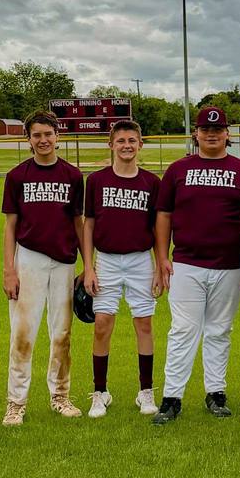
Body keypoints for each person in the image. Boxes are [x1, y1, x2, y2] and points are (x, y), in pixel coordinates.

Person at [152, 107, 240, 425]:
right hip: (186, 262)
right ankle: (172, 398)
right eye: (205, 129)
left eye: (218, 129)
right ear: (196, 134)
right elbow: (164, 216)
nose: (212, 133)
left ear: (227, 133)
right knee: (183, 330)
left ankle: (216, 393)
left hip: (230, 265)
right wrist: (162, 257)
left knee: (219, 330)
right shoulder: (177, 170)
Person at [1, 110, 86, 426]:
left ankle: (60, 396)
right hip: (29, 259)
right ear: (29, 140)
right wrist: (9, 270)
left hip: (64, 260)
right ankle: (16, 402)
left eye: (48, 134)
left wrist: (88, 265)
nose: (43, 140)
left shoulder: (73, 175)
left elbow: (79, 224)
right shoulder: (17, 176)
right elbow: (10, 226)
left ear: (57, 136)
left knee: (62, 333)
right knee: (23, 333)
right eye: (36, 135)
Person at [82, 120, 162, 418]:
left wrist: (158, 264)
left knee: (144, 322)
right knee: (102, 322)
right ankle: (100, 391)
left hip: (140, 259)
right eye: (121, 141)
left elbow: (157, 228)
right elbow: (89, 224)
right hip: (107, 259)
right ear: (111, 144)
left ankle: (146, 390)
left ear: (140, 144)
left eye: (132, 140)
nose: (126, 145)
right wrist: (88, 267)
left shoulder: (152, 182)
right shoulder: (97, 180)